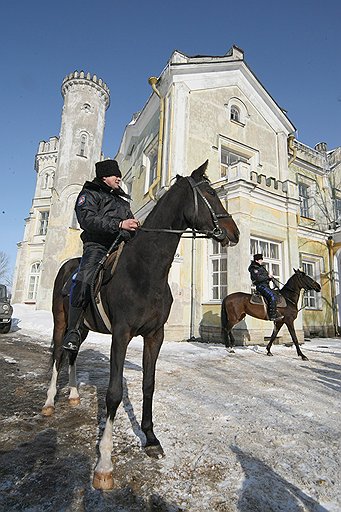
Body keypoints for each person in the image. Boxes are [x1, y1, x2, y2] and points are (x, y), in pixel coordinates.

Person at [63, 159, 140, 353]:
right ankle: (73, 330)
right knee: (85, 275)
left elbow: (128, 223)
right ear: (104, 177)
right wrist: (118, 225)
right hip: (97, 245)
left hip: (122, 245)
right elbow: (87, 219)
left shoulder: (123, 202)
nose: (120, 178)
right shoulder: (89, 194)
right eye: (116, 175)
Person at [248, 254, 284, 321]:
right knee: (272, 296)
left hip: (265, 285)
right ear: (256, 260)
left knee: (276, 295)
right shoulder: (254, 268)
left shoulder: (261, 267)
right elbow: (258, 278)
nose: (261, 261)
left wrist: (269, 278)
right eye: (260, 260)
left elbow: (264, 277)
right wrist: (268, 277)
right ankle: (272, 315)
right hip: (261, 286)